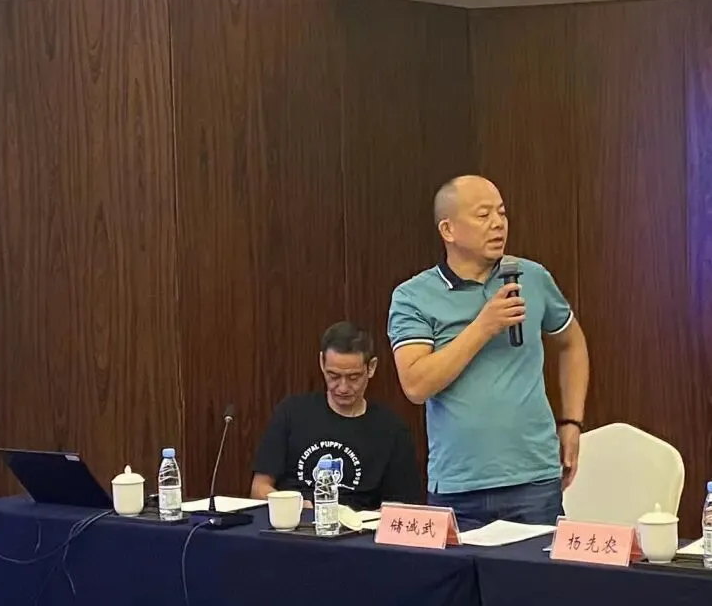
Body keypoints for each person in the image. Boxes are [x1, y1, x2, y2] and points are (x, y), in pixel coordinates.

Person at [387, 175, 590, 529]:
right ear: (448, 230)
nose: (498, 223)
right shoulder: (413, 296)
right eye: (483, 215)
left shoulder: (531, 277)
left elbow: (572, 342)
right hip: (458, 486)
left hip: (534, 481)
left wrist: (572, 421)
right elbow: (416, 385)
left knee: (538, 568)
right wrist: (483, 326)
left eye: (502, 212)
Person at [249, 322, 422, 511]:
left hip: (359, 525)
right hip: (296, 520)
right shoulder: (291, 412)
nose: (343, 388)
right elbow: (259, 488)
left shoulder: (392, 430)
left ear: (371, 367)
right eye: (333, 376)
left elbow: (401, 506)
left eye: (353, 377)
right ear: (322, 363)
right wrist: (295, 506)